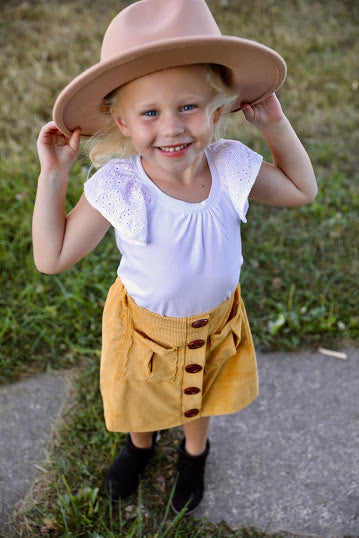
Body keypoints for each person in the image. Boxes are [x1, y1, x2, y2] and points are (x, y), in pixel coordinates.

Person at [33, 0, 317, 514]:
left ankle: (193, 452)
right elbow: (51, 257)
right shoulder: (120, 186)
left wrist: (275, 124)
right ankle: (139, 446)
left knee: (201, 393)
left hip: (216, 321)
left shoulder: (231, 166)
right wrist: (52, 177)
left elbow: (301, 189)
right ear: (121, 121)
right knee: (141, 396)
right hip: (146, 329)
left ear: (217, 107)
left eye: (189, 107)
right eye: (149, 113)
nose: (172, 128)